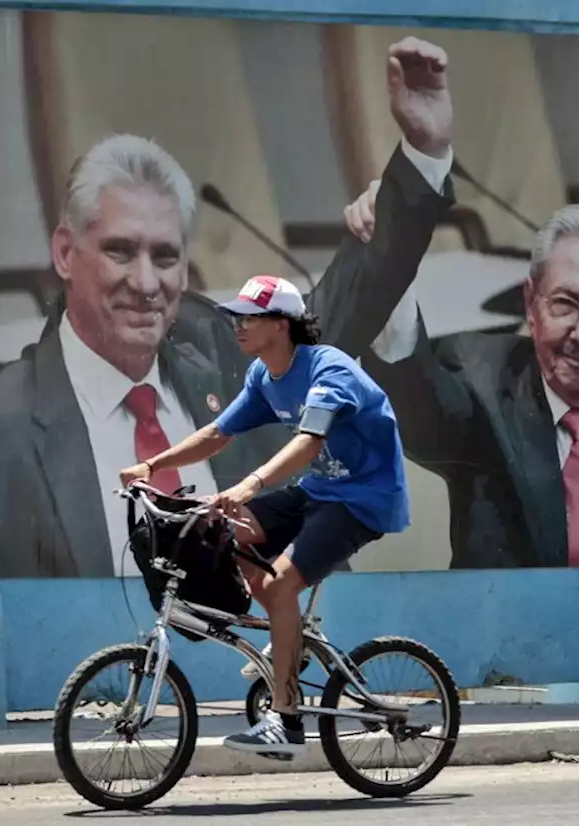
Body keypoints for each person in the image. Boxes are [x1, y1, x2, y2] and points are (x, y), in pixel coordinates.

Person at [0, 35, 458, 580]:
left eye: (165, 257)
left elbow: (335, 312)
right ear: (66, 253)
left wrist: (420, 156)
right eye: (120, 251)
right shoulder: (7, 427)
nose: (146, 283)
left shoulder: (214, 345)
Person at [120, 273, 410, 758]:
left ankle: (287, 719)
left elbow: (309, 440)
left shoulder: (328, 370)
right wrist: (153, 465)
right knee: (229, 530)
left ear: (283, 324)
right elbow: (217, 433)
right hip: (318, 491)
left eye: (249, 317)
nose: (237, 325)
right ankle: (285, 638)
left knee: (279, 586)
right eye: (236, 316)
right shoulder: (263, 376)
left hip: (363, 502)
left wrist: (251, 483)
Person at [340, 189, 579, 569]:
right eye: (564, 304)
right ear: (531, 304)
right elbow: (417, 404)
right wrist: (391, 259)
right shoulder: (483, 380)